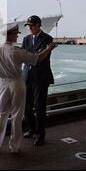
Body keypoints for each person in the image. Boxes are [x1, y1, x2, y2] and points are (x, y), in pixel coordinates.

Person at [0, 22, 56, 154]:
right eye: (15, 34)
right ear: (10, 35)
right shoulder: (17, 51)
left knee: (0, 115)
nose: (18, 37)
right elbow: (38, 58)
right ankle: (15, 146)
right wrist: (49, 49)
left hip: (2, 83)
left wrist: (4, 70)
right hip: (17, 84)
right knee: (17, 116)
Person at [22, 15, 55, 146]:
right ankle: (32, 129)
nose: (29, 28)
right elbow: (26, 56)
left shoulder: (47, 38)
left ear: (39, 25)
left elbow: (40, 57)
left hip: (41, 78)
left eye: (32, 25)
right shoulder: (26, 39)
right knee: (26, 106)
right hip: (28, 77)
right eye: (28, 26)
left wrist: (31, 57)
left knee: (40, 108)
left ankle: (41, 135)